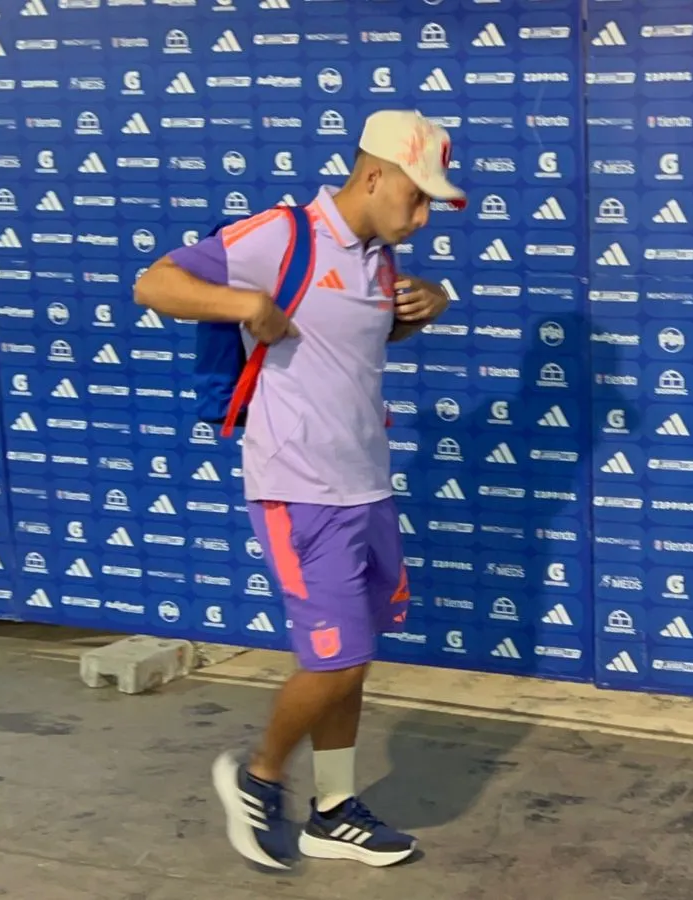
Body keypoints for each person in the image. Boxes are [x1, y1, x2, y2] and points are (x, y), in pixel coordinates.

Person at [132, 109, 464, 870]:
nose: (422, 218)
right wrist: (245, 305)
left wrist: (423, 309)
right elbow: (154, 282)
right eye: (416, 198)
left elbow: (343, 341)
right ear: (373, 175)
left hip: (365, 487)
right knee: (335, 658)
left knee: (355, 654)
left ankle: (333, 810)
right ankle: (256, 777)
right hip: (299, 488)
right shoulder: (283, 235)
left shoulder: (378, 259)